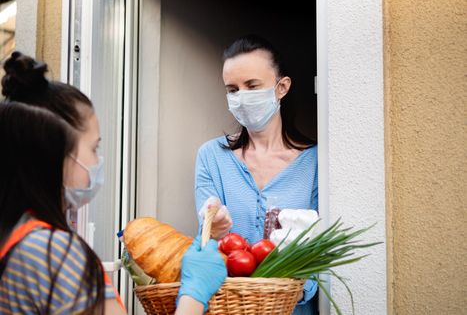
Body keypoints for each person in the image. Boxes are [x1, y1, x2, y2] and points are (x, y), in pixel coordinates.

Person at [0, 52, 226, 314]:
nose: (97, 161)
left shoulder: (15, 238)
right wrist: (194, 293)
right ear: (58, 154)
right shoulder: (55, 253)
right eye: (94, 148)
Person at [195, 35, 318, 314]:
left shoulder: (315, 163)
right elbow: (203, 249)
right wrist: (212, 230)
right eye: (232, 89)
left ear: (281, 87)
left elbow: (317, 261)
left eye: (252, 86)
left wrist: (287, 289)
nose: (241, 97)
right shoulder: (211, 157)